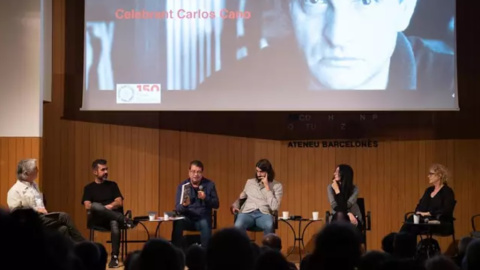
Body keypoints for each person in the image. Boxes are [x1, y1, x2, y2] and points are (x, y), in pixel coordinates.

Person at [197, 0, 454, 94]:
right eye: (315, 2)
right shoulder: (220, 90)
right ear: (288, 11)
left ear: (405, 9)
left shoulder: (451, 81)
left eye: (366, 2)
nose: (337, 36)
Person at [7, 159, 86, 243]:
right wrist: (36, 210)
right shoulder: (14, 190)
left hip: (42, 217)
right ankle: (82, 243)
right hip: (30, 221)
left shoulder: (34, 185)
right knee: (64, 216)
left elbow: (38, 201)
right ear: (26, 173)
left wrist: (42, 209)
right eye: (35, 169)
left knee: (63, 229)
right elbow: (15, 212)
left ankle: (65, 253)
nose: (37, 170)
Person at [82, 159, 131, 268]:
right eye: (103, 169)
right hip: (98, 220)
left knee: (114, 222)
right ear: (95, 172)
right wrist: (100, 208)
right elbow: (87, 205)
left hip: (112, 219)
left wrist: (106, 208)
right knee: (95, 206)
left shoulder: (112, 185)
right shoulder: (89, 188)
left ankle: (114, 258)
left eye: (106, 169)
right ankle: (123, 219)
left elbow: (119, 202)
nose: (106, 172)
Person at [172, 160, 219, 249]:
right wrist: (184, 205)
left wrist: (205, 198)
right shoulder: (182, 186)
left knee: (205, 223)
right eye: (193, 171)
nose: (196, 174)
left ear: (202, 173)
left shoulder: (209, 185)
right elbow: (178, 208)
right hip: (188, 219)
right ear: (189, 172)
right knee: (178, 222)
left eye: (198, 172)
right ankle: (176, 254)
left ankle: (205, 255)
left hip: (203, 218)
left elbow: (216, 204)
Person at [400, 163, 455, 236]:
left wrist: (428, 213)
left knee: (411, 224)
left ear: (439, 175)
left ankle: (398, 243)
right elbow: (420, 206)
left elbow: (446, 210)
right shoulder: (429, 190)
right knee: (412, 223)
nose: (428, 176)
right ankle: (401, 243)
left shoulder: (447, 191)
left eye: (431, 174)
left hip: (441, 222)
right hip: (425, 220)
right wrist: (419, 212)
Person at [232, 159, 283, 235]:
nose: (258, 174)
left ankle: (268, 247)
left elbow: (275, 207)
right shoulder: (250, 182)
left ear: (268, 172)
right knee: (238, 225)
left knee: (269, 225)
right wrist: (235, 205)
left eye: (261, 172)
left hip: (264, 214)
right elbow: (242, 197)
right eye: (257, 171)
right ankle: (243, 246)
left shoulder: (277, 186)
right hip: (247, 213)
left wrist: (267, 187)